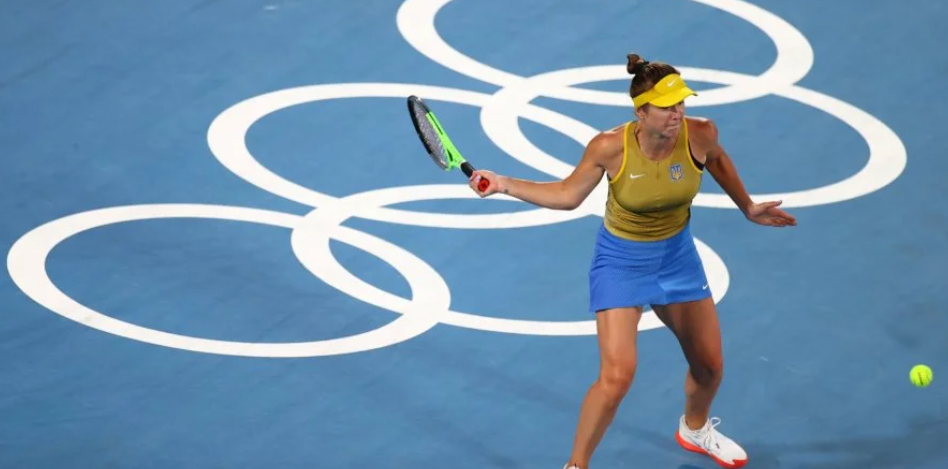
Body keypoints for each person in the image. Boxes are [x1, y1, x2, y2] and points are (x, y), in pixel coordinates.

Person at [467, 53, 797, 469]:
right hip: (621, 263)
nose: (678, 113)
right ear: (641, 112)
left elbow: (716, 159)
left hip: (677, 259)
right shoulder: (609, 147)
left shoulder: (700, 134)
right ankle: (576, 465)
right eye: (666, 107)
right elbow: (567, 196)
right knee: (617, 377)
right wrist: (503, 183)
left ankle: (695, 429)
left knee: (709, 366)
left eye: (681, 103)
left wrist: (746, 205)